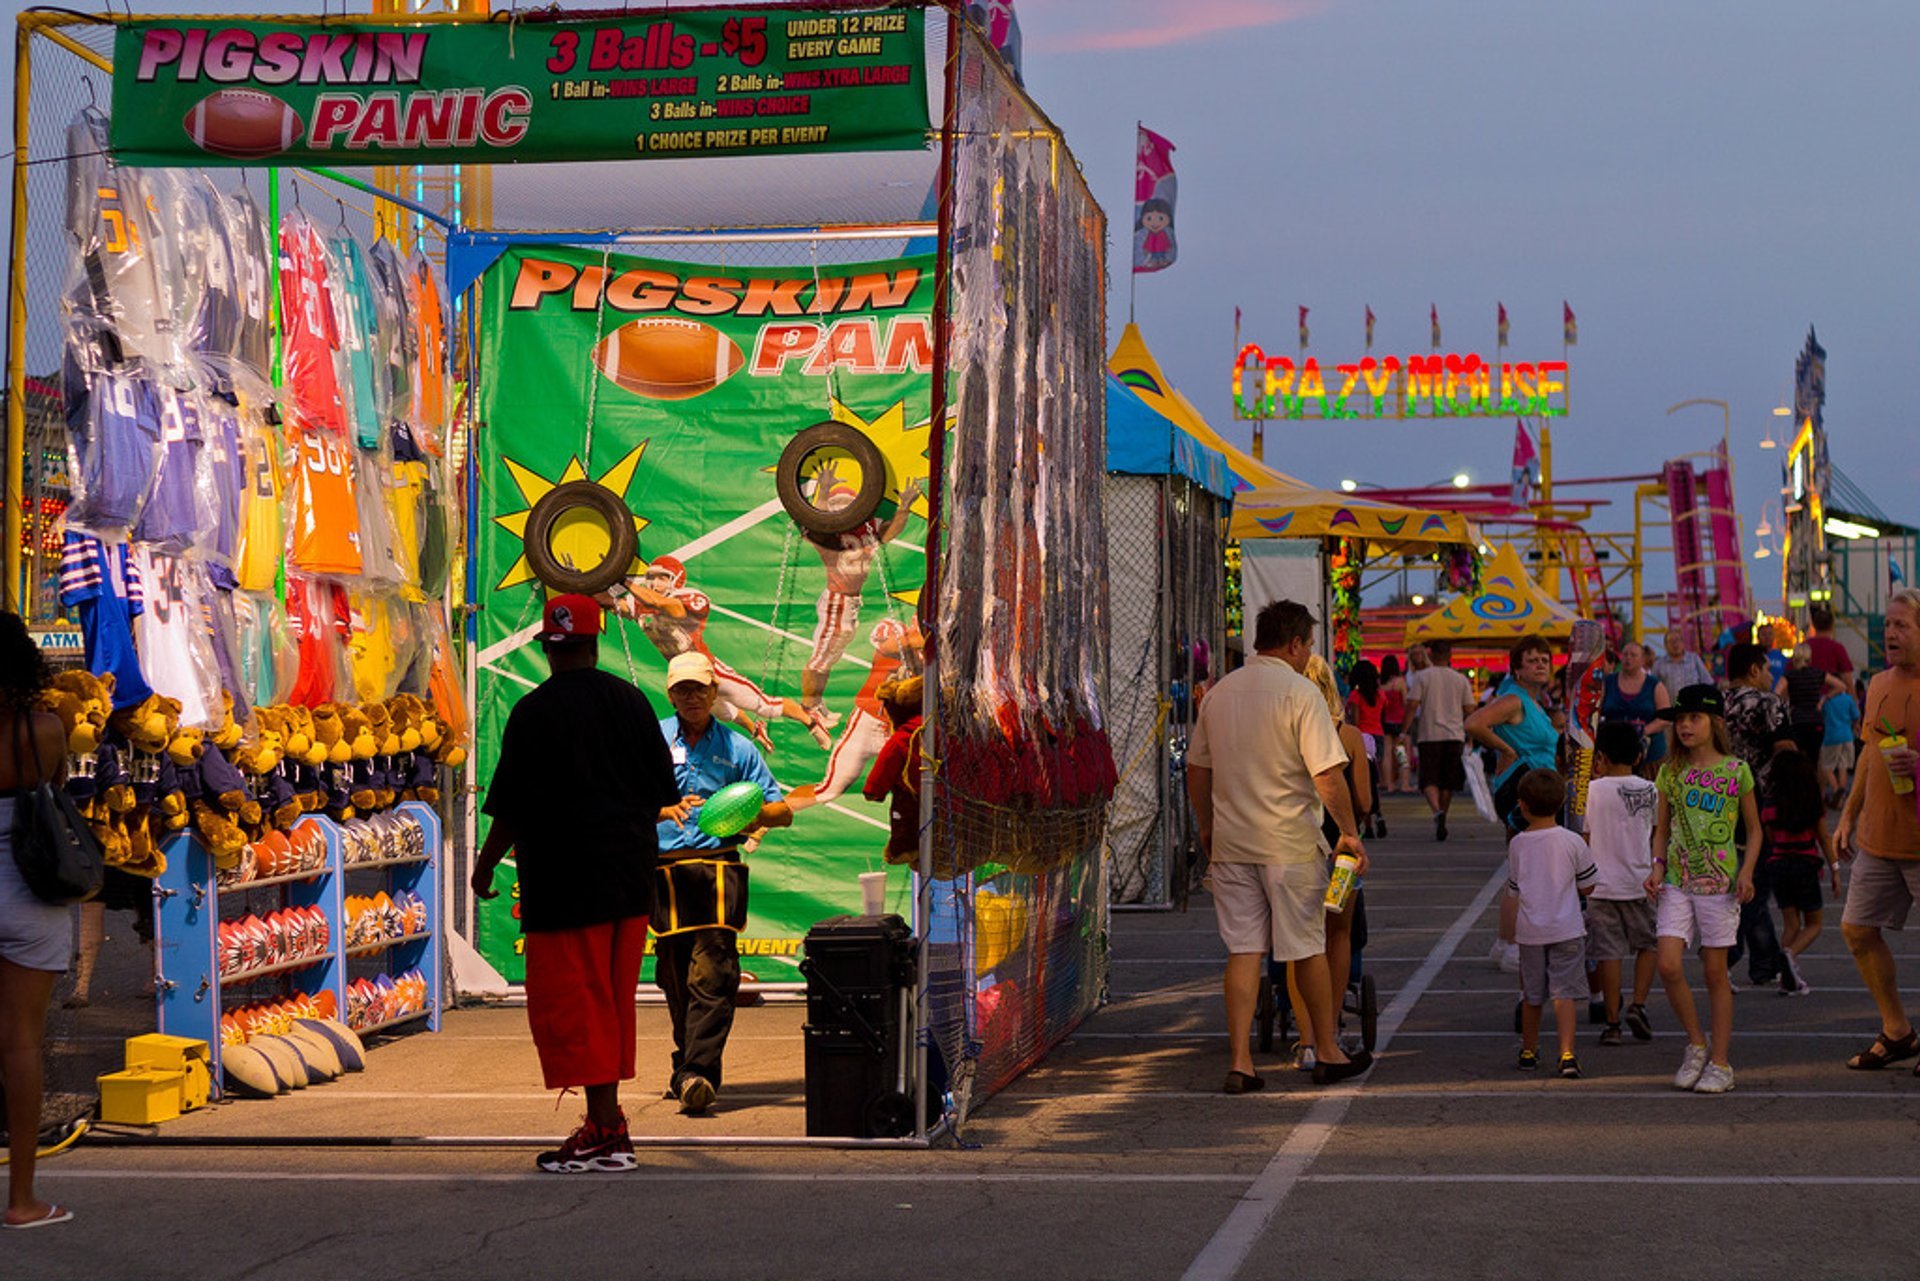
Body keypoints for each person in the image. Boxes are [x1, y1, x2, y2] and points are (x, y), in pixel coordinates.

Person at [472, 595, 679, 1173]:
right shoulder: (632, 701)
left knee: (575, 1008)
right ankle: (606, 1125)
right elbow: (662, 791)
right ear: (595, 642)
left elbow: (510, 808)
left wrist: (486, 864)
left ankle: (606, 1132)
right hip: (629, 878)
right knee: (612, 1004)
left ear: (550, 647)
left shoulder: (533, 712)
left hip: (565, 884)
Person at [1186, 600, 1371, 1092]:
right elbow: (1327, 775)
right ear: (1294, 643)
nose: (1307, 654)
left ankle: (1241, 1062)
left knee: (1244, 952)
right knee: (1306, 947)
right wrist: (1348, 833)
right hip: (1288, 841)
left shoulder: (1219, 694)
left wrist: (1206, 825)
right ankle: (1327, 1050)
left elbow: (1197, 769)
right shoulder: (1300, 693)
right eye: (1307, 644)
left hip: (1232, 841)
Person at [652, 650, 793, 1114]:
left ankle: (699, 1073)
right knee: (674, 976)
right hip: (665, 870)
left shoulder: (739, 749)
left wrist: (739, 812)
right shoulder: (651, 742)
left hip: (717, 867)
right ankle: (686, 1064)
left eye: (699, 688)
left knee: (714, 974)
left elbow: (781, 811)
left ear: (714, 692)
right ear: (670, 694)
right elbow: (624, 800)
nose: (691, 696)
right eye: (682, 689)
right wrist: (662, 809)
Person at [1647, 685, 1763, 1095]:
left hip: (1720, 886)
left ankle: (1721, 1062)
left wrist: (1747, 871)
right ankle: (1696, 1043)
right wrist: (1657, 867)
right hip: (1678, 883)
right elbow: (1661, 830)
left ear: (1714, 723)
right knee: (1668, 964)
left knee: (1715, 973)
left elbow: (1755, 830)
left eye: (1693, 718)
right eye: (1679, 720)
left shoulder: (1736, 771)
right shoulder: (1669, 772)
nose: (1685, 726)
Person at [0, 611, 74, 1227]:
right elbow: (55, 790)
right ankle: (21, 1199)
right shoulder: (46, 727)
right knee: (21, 1043)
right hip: (27, 888)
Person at [1835, 586, 1920, 1072]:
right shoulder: (1880, 684)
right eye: (1887, 624)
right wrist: (1847, 816)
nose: (1889, 632)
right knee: (1856, 930)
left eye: (1901, 625)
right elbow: (1869, 752)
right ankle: (1897, 1031)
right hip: (1879, 838)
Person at [1287, 654, 1375, 1070]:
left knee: (1297, 942)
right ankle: (1332, 1026)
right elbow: (1364, 802)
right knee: (1339, 935)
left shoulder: (1282, 729)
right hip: (1341, 848)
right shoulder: (1349, 734)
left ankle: (1306, 1039)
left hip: (1294, 843)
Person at [1467, 635, 1560, 970]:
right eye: (1533, 660)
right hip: (1525, 790)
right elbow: (1474, 723)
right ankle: (1511, 946)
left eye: (1545, 660)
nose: (1540, 665)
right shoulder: (1514, 699)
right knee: (1525, 874)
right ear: (1517, 669)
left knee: (1523, 871)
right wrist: (1506, 750)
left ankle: (1505, 942)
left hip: (1540, 789)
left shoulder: (1534, 702)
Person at [1507, 768, 1597, 1077]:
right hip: (1567, 927)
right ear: (1561, 804)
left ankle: (1529, 1050)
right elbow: (1589, 885)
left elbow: (1514, 888)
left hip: (1531, 930)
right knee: (1564, 994)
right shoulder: (1573, 842)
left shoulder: (1517, 844)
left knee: (1532, 995)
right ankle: (1567, 1053)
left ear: (1523, 805)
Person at [1722, 641, 1795, 986]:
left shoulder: (1715, 704)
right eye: (1767, 668)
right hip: (1760, 800)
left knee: (1736, 875)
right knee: (1758, 880)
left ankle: (1764, 961)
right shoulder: (1767, 703)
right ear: (1753, 669)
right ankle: (1728, 952)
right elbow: (1785, 750)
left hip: (1717, 799)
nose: (1770, 675)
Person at [1584, 721, 1659, 1047]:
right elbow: (1657, 834)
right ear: (1639, 754)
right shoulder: (1650, 789)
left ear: (1601, 755)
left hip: (1601, 886)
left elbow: (1585, 837)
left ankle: (1612, 1023)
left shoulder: (1592, 790)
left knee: (1608, 954)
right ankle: (1638, 1004)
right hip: (1640, 882)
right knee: (1649, 944)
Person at [1763, 749, 1838, 996]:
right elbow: (1824, 838)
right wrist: (1834, 868)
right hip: (1805, 864)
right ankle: (1789, 955)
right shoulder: (1810, 802)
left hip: (1779, 864)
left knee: (1791, 923)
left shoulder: (1770, 805)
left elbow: (1771, 839)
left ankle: (1786, 976)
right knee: (1814, 924)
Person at [1406, 639, 1474, 843]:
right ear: (1450, 655)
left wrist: (1404, 730)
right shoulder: (1461, 679)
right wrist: (1471, 737)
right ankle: (1443, 811)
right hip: (1455, 735)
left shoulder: (1422, 677)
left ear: (1431, 655)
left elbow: (1412, 705)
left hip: (1429, 735)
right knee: (1448, 782)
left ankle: (1437, 811)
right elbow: (1469, 710)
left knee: (1428, 779)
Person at [860, 674, 924, 864]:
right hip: (947, 792)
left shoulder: (902, 738)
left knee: (903, 818)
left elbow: (885, 766)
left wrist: (873, 790)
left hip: (911, 792)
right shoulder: (939, 730)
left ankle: (903, 848)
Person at [1600, 641, 1671, 770]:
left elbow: (1665, 718)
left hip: (1650, 756)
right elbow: (1597, 711)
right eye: (1625, 654)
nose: (1628, 658)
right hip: (1613, 754)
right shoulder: (1608, 682)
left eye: (1633, 655)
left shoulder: (1655, 685)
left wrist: (1644, 731)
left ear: (1643, 660)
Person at [1775, 643, 1847, 759]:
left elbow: (1776, 693)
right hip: (1816, 721)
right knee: (1814, 760)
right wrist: (1824, 698)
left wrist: (1786, 704)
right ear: (1810, 658)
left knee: (1798, 759)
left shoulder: (1789, 675)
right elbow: (1841, 686)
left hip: (1797, 721)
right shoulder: (1818, 673)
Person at [1344, 659, 1387, 837]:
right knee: (1373, 782)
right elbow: (1382, 716)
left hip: (1362, 738)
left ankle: (1368, 825)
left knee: (1361, 783)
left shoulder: (1355, 696)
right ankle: (1378, 815)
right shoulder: (1380, 695)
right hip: (1378, 737)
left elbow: (1355, 720)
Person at [1821, 676, 1862, 809]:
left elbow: (1821, 716)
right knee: (1843, 767)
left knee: (1826, 767)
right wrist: (1856, 726)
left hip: (1831, 736)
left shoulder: (1827, 701)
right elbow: (1856, 716)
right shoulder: (1848, 699)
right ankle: (1842, 798)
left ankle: (1836, 789)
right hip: (1847, 736)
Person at [1651, 630, 1712, 702]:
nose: (1675, 644)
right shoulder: (1658, 664)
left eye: (1677, 640)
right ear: (1665, 646)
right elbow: (1653, 689)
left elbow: (1707, 682)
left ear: (1683, 643)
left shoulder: (1694, 659)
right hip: (1670, 709)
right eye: (1671, 641)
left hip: (1694, 708)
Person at [1379, 654, 1408, 796]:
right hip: (1398, 721)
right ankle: (1404, 783)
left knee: (1386, 755)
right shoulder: (1400, 682)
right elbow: (1405, 702)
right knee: (1401, 752)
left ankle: (1388, 783)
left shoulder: (1380, 683)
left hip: (1385, 721)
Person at [1804, 603, 1855, 683]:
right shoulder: (1837, 648)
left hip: (1806, 693)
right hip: (1833, 693)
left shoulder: (1803, 647)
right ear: (1831, 626)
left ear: (1814, 625)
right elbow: (1847, 676)